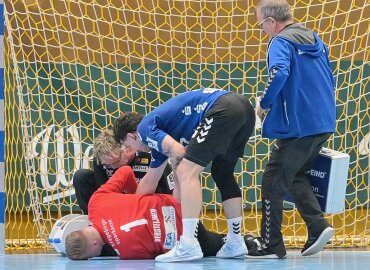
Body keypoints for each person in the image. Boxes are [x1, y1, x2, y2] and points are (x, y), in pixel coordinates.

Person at [113, 88, 255, 262]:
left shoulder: (144, 129)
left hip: (222, 108)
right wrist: (131, 213)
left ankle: (188, 244)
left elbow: (179, 153)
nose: (132, 151)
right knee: (222, 173)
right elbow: (150, 181)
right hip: (244, 109)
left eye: (127, 146)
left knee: (186, 171)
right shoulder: (158, 139)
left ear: (132, 136)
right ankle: (235, 241)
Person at [246, 0, 336, 259]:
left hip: (299, 126)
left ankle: (271, 243)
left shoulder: (280, 42)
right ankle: (318, 226)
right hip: (323, 122)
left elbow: (279, 72)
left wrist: (263, 104)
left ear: (272, 22)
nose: (262, 29)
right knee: (294, 175)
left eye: (261, 24)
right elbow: (330, 78)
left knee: (273, 179)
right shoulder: (315, 38)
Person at [65, 166, 259, 260]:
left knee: (217, 246)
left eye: (90, 255)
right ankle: (182, 164)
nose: (94, 256)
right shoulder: (95, 204)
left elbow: (157, 254)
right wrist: (136, 198)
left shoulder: (126, 253)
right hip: (180, 203)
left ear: (92, 243)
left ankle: (247, 241)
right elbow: (125, 171)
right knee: (181, 175)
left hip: (186, 235)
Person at [73, 129, 174, 215]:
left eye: (116, 162)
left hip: (149, 207)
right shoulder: (102, 161)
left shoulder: (150, 154)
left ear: (127, 148)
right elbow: (103, 195)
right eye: (108, 166)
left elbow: (171, 192)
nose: (112, 167)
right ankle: (94, 222)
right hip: (117, 205)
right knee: (81, 176)